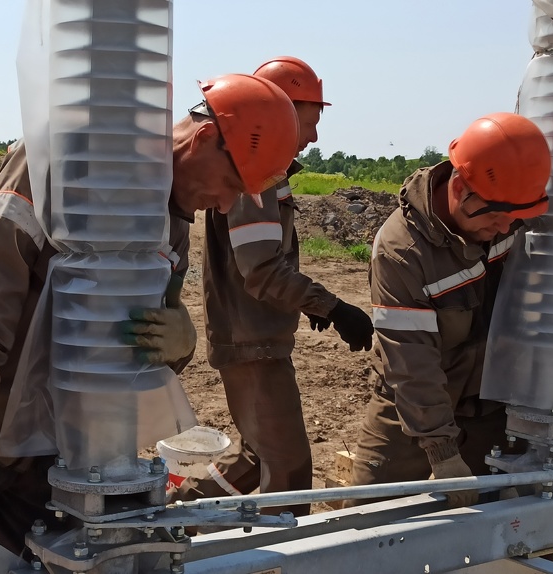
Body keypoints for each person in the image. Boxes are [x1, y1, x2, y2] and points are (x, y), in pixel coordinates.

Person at [0, 73, 300, 573]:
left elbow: (141, 333)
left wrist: (180, 341)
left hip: (43, 438)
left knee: (42, 562)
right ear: (205, 138)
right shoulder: (65, 159)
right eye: (231, 185)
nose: (226, 206)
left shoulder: (170, 221)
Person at [175, 57, 374, 518]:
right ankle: (278, 551)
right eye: (310, 121)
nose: (313, 136)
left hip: (251, 335)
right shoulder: (258, 175)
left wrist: (310, 304)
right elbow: (262, 269)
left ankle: (176, 511)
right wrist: (332, 307)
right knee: (288, 469)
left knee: (254, 457)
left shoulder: (262, 169)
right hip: (253, 343)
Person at [347, 112, 551, 508]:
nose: (504, 228)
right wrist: (442, 453)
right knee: (368, 516)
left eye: (515, 219)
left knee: (504, 517)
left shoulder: (506, 215)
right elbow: (412, 363)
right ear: (459, 188)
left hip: (489, 402)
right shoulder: (402, 252)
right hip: (411, 403)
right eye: (496, 216)